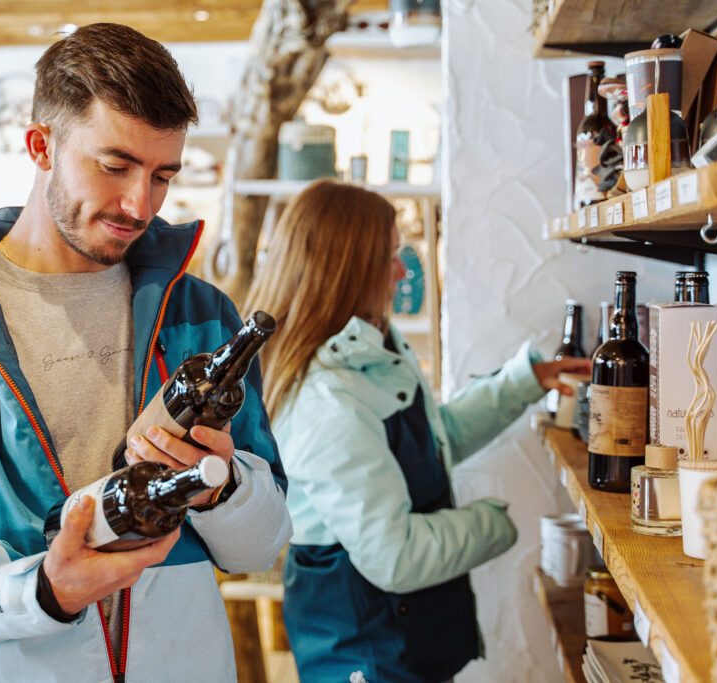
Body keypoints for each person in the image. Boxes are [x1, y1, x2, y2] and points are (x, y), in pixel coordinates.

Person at [0, 23, 291, 682]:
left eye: (162, 175)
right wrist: (40, 589)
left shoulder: (202, 316)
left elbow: (264, 545)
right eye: (114, 166)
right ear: (40, 145)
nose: (141, 204)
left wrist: (224, 491)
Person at [244, 179, 590, 683]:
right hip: (368, 649)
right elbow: (397, 556)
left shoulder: (369, 348)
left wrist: (525, 381)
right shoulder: (327, 400)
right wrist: (495, 522)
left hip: (405, 637)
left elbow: (433, 439)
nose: (403, 271)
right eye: (390, 256)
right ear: (349, 271)